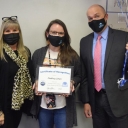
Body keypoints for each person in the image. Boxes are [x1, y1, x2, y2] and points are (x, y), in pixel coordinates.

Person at [80, 4, 128, 128]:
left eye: (97, 16)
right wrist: (86, 101)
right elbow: (84, 74)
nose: (93, 20)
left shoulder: (123, 37)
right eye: (90, 18)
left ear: (106, 17)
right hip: (95, 101)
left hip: (119, 100)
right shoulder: (84, 42)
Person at [32, 19, 81, 128]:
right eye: (54, 32)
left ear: (65, 35)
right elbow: (31, 75)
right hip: (44, 107)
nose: (57, 35)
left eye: (60, 33)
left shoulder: (72, 55)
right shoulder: (38, 53)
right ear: (47, 34)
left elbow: (79, 75)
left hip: (63, 107)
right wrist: (35, 82)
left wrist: (72, 82)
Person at [0, 16, 34, 128]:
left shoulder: (25, 52)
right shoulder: (0, 53)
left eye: (15, 30)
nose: (11, 33)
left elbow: (31, 75)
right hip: (4, 106)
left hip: (18, 105)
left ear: (19, 32)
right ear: (2, 33)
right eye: (7, 31)